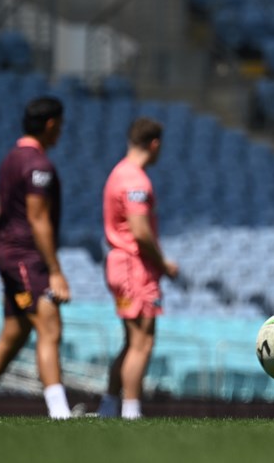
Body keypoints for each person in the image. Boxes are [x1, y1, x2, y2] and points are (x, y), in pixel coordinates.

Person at [0, 96, 73, 419]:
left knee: (15, 332)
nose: (61, 132)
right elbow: (38, 219)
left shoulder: (9, 160)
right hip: (25, 256)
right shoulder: (38, 166)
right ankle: (60, 412)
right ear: (50, 124)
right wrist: (55, 271)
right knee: (50, 327)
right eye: (60, 126)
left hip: (7, 252)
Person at [97, 117, 178, 419]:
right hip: (134, 267)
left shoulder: (118, 173)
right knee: (143, 341)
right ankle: (131, 410)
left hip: (119, 265)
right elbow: (141, 232)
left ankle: (108, 405)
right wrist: (163, 264)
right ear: (154, 144)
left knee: (131, 341)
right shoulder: (135, 181)